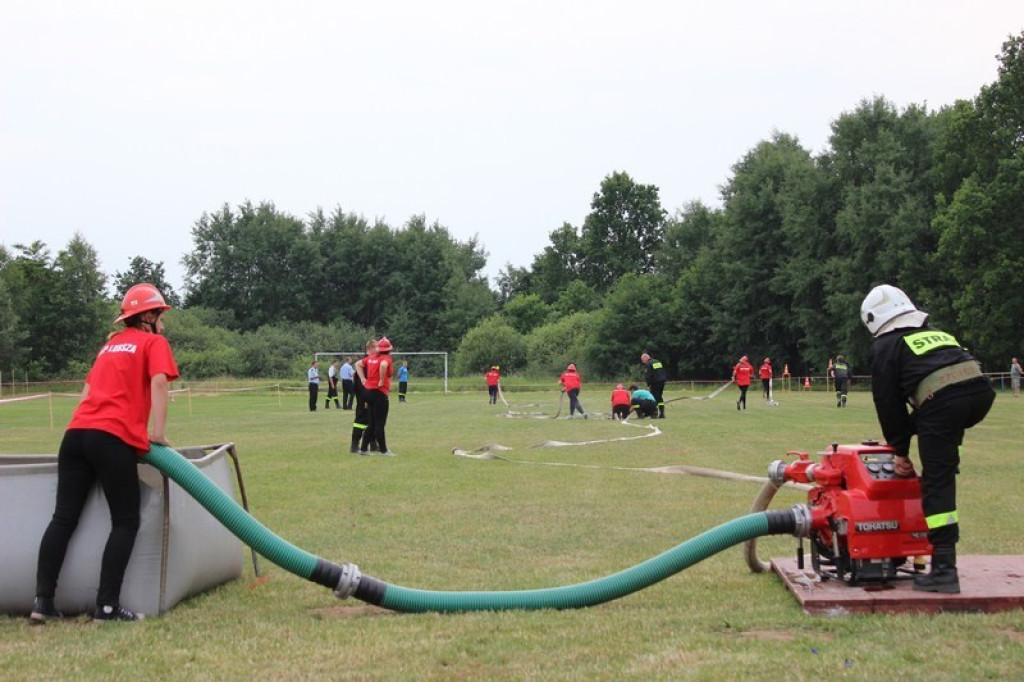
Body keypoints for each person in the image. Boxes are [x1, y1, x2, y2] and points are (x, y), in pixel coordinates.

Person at [32, 283, 179, 624]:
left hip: (75, 435)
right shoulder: (154, 342)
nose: (164, 323)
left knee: (63, 519)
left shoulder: (110, 346)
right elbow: (159, 382)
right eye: (161, 315)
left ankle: (42, 603)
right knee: (126, 521)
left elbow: (87, 392)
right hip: (111, 437)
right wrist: (156, 434)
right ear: (148, 316)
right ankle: (107, 607)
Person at [861, 284, 995, 594]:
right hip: (979, 395)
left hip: (943, 403)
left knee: (937, 482)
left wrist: (900, 452)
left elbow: (888, 403)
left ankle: (945, 571)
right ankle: (949, 457)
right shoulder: (934, 333)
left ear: (873, 319)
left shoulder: (886, 346)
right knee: (941, 442)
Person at [357, 336, 395, 456]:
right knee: (380, 423)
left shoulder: (371, 357)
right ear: (389, 349)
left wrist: (363, 379)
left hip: (368, 392)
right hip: (379, 393)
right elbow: (383, 365)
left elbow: (358, 364)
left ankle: (363, 449)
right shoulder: (386, 358)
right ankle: (384, 450)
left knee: (372, 423)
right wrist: (382, 380)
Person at [350, 340, 377, 454]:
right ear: (370, 349)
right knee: (361, 421)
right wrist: (365, 398)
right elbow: (360, 384)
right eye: (377, 348)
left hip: (372, 397)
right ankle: (355, 445)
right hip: (364, 398)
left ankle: (373, 444)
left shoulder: (373, 362)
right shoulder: (364, 364)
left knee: (373, 421)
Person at [640, 352, 667, 418]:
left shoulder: (648, 364)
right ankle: (662, 414)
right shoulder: (657, 362)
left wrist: (648, 385)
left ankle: (654, 414)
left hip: (655, 383)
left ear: (646, 358)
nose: (643, 362)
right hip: (662, 381)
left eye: (642, 360)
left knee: (653, 398)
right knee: (659, 397)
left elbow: (648, 376)